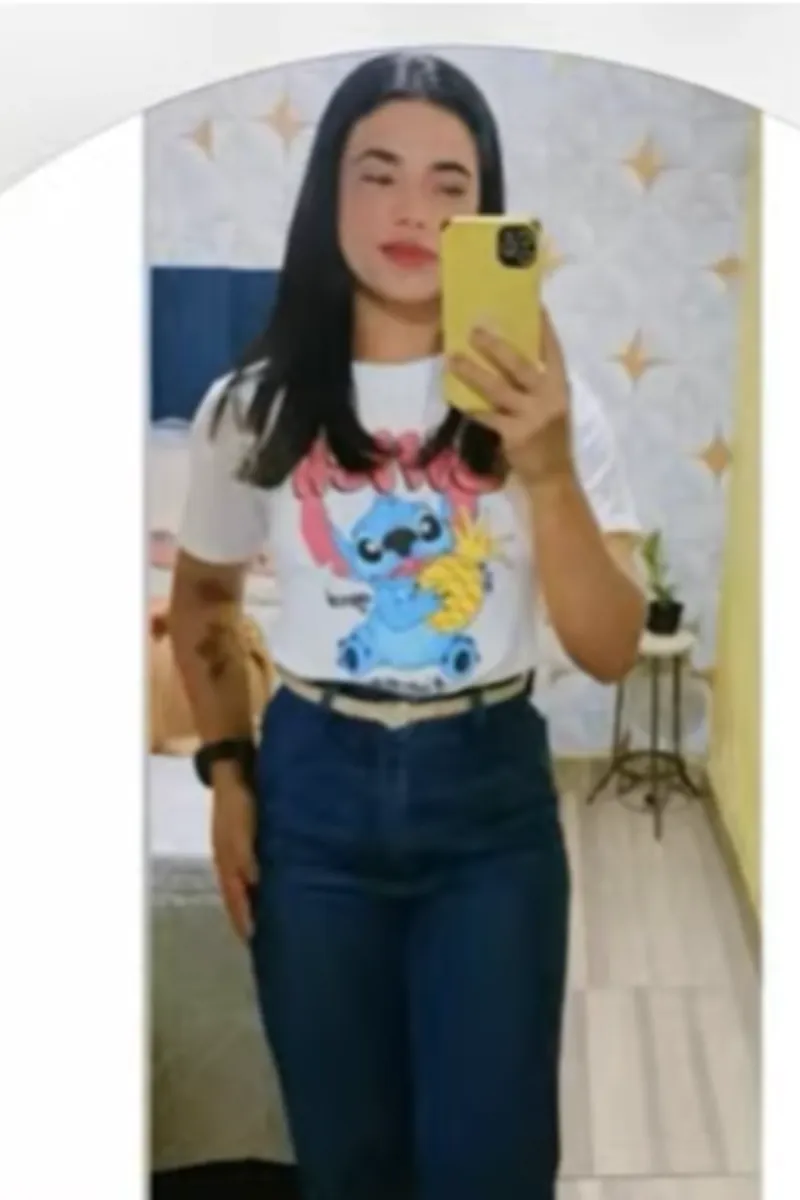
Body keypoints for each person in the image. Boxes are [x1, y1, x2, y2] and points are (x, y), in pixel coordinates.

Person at [169, 51, 646, 1200]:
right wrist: (229, 771)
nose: (412, 211)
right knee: (346, 1161)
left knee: (492, 1164)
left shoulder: (551, 410)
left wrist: (543, 468)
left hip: (487, 804)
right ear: (326, 194)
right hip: (312, 797)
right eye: (376, 173)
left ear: (486, 212)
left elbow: (609, 645)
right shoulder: (252, 408)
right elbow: (205, 602)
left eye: (449, 184)